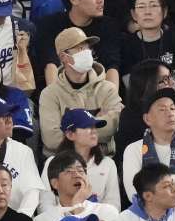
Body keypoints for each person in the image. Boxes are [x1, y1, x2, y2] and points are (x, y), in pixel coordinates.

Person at [39, 28, 122, 156]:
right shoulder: (49, 94)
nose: (87, 53)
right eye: (80, 49)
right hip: (62, 162)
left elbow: (113, 126)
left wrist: (71, 130)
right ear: (63, 57)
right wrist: (96, 122)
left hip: (102, 160)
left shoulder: (108, 89)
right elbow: (51, 138)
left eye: (88, 48)